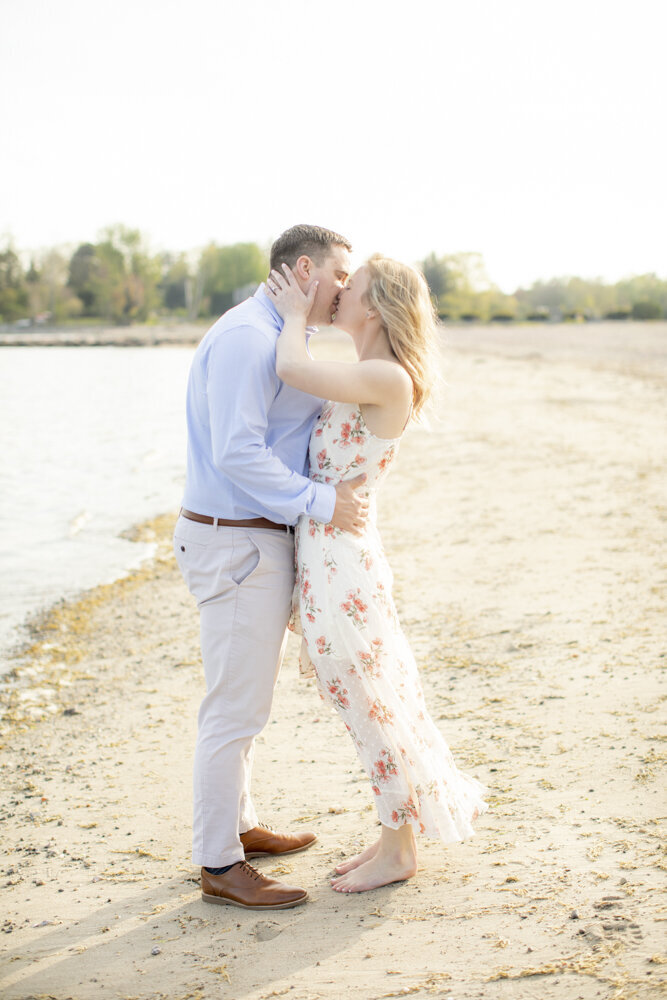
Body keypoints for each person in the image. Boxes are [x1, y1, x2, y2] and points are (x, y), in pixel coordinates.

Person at [265, 255, 487, 893]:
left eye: (350, 287)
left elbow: (288, 367)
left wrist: (292, 315)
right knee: (369, 703)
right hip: (331, 560)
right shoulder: (366, 373)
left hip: (344, 571)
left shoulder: (386, 376)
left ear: (375, 307)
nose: (339, 294)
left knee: (373, 704)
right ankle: (395, 834)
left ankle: (399, 850)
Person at [174, 224, 370, 910]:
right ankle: (219, 864)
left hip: (252, 539)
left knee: (245, 705)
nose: (345, 286)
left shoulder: (278, 332)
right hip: (234, 541)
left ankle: (238, 827)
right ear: (307, 267)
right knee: (232, 709)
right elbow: (237, 451)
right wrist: (323, 502)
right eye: (341, 274)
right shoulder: (246, 339)